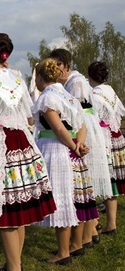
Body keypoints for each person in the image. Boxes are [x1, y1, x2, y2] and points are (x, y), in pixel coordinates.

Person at [0, 33, 56, 271]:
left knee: (6, 212)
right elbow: (29, 118)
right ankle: (13, 263)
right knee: (18, 210)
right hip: (20, 141)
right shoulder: (17, 78)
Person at [32, 58, 97, 265]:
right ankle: (75, 244)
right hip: (74, 150)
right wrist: (79, 144)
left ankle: (63, 252)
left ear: (40, 78)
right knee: (75, 197)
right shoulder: (68, 97)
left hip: (57, 150)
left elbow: (58, 128)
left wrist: (71, 145)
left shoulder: (47, 98)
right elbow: (82, 125)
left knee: (61, 199)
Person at [49, 48, 111, 245]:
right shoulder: (69, 82)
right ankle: (91, 230)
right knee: (84, 181)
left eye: (58, 64)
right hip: (82, 126)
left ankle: (88, 232)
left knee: (85, 181)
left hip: (84, 129)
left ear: (66, 65)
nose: (56, 68)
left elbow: (72, 111)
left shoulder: (75, 82)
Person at [88, 61, 125, 235]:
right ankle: (111, 223)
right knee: (112, 184)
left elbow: (91, 118)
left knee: (96, 179)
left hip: (102, 138)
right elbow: (118, 113)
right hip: (115, 136)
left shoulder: (93, 94)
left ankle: (94, 223)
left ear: (90, 76)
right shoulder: (110, 91)